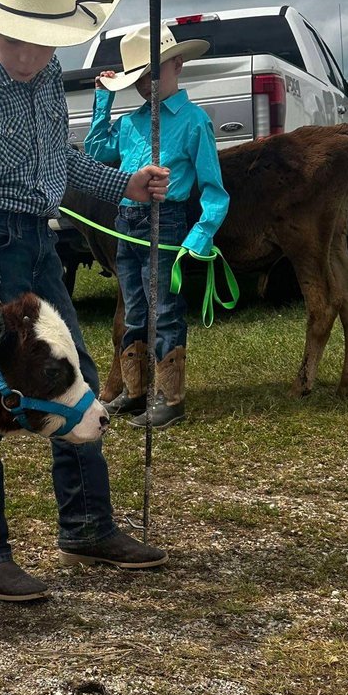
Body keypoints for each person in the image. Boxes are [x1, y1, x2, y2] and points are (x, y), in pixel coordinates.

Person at [0, 0, 171, 602]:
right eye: (18, 41)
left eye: (44, 43)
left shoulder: (41, 83)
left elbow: (59, 166)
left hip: (37, 244)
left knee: (80, 381)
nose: (32, 56)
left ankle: (86, 524)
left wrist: (125, 184)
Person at [85, 22, 230, 427]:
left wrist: (200, 234)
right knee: (133, 309)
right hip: (126, 221)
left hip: (164, 223)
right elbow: (97, 150)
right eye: (138, 78)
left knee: (164, 309)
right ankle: (135, 391)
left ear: (177, 65)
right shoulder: (131, 123)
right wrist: (102, 99)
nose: (147, 84)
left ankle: (170, 398)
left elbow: (214, 189)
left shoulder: (194, 121)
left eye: (154, 72)